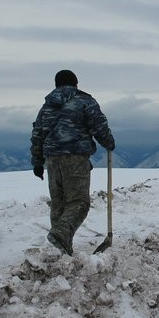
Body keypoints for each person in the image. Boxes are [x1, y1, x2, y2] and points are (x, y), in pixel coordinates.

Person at [30, 69, 115, 255]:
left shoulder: (47, 106)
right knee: (79, 202)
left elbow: (37, 134)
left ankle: (61, 249)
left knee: (59, 203)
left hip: (52, 160)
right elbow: (99, 126)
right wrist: (108, 142)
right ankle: (61, 235)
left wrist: (37, 161)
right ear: (76, 84)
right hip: (75, 157)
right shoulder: (85, 101)